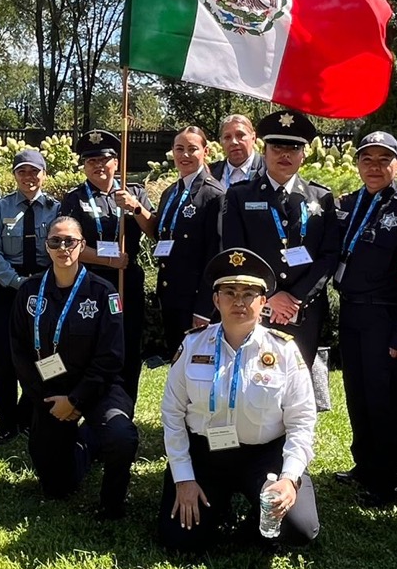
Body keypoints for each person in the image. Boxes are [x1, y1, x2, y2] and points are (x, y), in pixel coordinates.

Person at [158, 248, 319, 552]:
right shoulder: (192, 345)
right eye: (229, 292)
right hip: (206, 454)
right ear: (216, 300)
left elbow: (302, 421)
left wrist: (288, 478)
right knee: (180, 539)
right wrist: (183, 478)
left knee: (299, 529)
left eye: (249, 294)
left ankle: (249, 521)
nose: (239, 301)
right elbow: (172, 413)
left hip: (262, 456)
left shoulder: (284, 351)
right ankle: (215, 503)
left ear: (263, 302)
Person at [10, 215, 138, 519]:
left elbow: (111, 358)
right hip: (51, 392)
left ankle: (112, 504)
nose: (63, 247)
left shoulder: (104, 292)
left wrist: (77, 400)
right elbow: (20, 352)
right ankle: (85, 444)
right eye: (56, 241)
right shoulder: (29, 291)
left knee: (122, 436)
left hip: (98, 390)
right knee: (56, 487)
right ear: (47, 246)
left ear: (81, 246)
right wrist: (48, 399)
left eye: (70, 241)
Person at [334, 130, 397, 508]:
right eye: (367, 159)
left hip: (386, 317)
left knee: (388, 401)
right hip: (353, 312)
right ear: (357, 164)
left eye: (383, 160)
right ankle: (366, 466)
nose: (374, 167)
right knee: (359, 395)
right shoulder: (351, 204)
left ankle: (392, 485)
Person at [221, 110, 340, 368]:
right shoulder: (240, 196)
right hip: (257, 305)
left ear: (304, 153)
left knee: (297, 383)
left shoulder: (321, 197)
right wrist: (271, 295)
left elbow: (329, 255)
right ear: (265, 151)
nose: (284, 155)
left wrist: (296, 297)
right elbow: (235, 252)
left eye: (293, 148)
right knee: (255, 379)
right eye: (277, 147)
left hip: (304, 311)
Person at [58, 129, 155, 401]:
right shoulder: (75, 199)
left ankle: (124, 404)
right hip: (91, 281)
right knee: (90, 341)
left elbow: (155, 231)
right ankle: (87, 401)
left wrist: (136, 208)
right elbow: (67, 244)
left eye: (104, 160)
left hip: (127, 279)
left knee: (126, 340)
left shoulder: (133, 192)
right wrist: (107, 259)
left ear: (116, 162)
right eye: (91, 161)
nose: (98, 166)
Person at [0, 148, 58, 443]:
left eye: (34, 171)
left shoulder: (56, 208)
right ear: (14, 175)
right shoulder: (0, 208)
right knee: (2, 356)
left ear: (44, 174)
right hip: (6, 288)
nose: (29, 177)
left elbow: (63, 247)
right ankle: (6, 423)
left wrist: (43, 283)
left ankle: (29, 415)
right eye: (22, 171)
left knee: (43, 355)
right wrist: (14, 281)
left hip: (44, 288)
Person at [150, 127, 224, 358]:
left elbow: (216, 255)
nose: (185, 155)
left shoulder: (214, 195)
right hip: (172, 296)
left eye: (192, 149)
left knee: (199, 369)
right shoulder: (170, 193)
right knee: (178, 365)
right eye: (179, 149)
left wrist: (204, 309)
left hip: (195, 302)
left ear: (206, 151)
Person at [210, 114, 264, 186]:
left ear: (253, 138)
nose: (234, 142)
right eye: (227, 137)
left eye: (240, 135)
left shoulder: (270, 169)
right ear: (221, 142)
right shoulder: (210, 173)